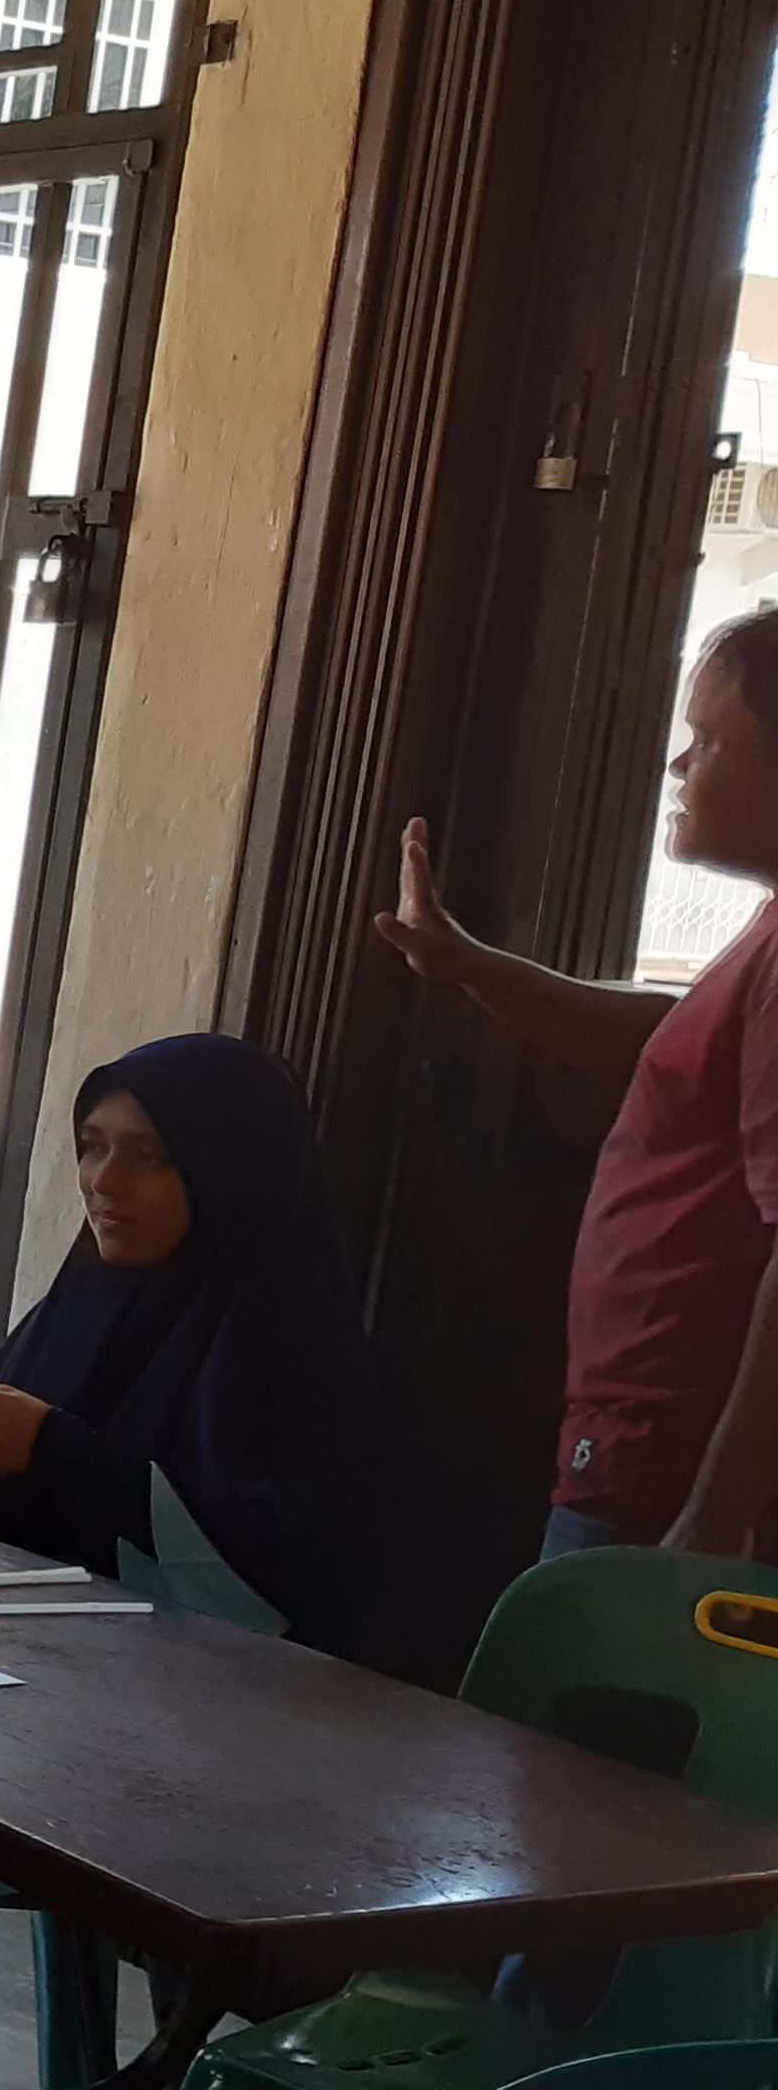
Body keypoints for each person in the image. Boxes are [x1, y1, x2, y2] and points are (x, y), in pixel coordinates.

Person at [377, 609, 778, 1558]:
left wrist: (717, 1510)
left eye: (708, 740)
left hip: (675, 1468)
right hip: (652, 1445)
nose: (679, 767)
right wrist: (468, 966)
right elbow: (670, 1044)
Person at [0, 1034, 429, 1664]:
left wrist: (53, 1450)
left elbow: (279, 1589)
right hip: (11, 1664)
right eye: (93, 1146)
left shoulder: (289, 1356)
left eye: (149, 1157)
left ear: (227, 1173)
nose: (104, 1181)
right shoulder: (72, 1314)